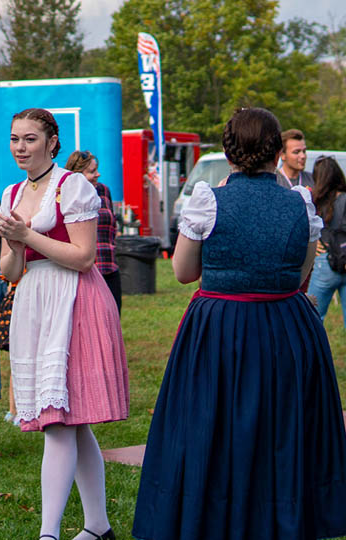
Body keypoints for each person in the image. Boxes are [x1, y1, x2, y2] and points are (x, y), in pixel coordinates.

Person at [133, 108, 346, 539]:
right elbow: (301, 272)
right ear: (274, 152)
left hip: (222, 328)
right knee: (281, 428)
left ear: (230, 153)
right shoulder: (298, 202)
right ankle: (282, 517)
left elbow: (183, 272)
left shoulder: (208, 199)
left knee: (217, 426)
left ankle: (215, 517)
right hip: (288, 327)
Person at [0, 108, 128, 540]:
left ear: (52, 142)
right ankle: (98, 527)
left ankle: (47, 534)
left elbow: (85, 257)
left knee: (58, 420)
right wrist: (15, 241)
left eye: (30, 139)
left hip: (76, 301)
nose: (20, 147)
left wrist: (28, 235)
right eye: (15, 139)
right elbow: (11, 272)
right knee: (72, 421)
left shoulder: (74, 188)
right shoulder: (12, 192)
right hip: (34, 301)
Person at [65, 150, 121, 313]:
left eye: (96, 169)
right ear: (77, 174)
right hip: (86, 272)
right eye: (92, 171)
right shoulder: (67, 196)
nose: (98, 174)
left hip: (109, 266)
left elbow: (112, 225)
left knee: (113, 318)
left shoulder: (103, 191)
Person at [307, 156, 346, 325]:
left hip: (324, 262)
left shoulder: (316, 201)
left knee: (313, 318)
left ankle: (313, 351)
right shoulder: (344, 198)